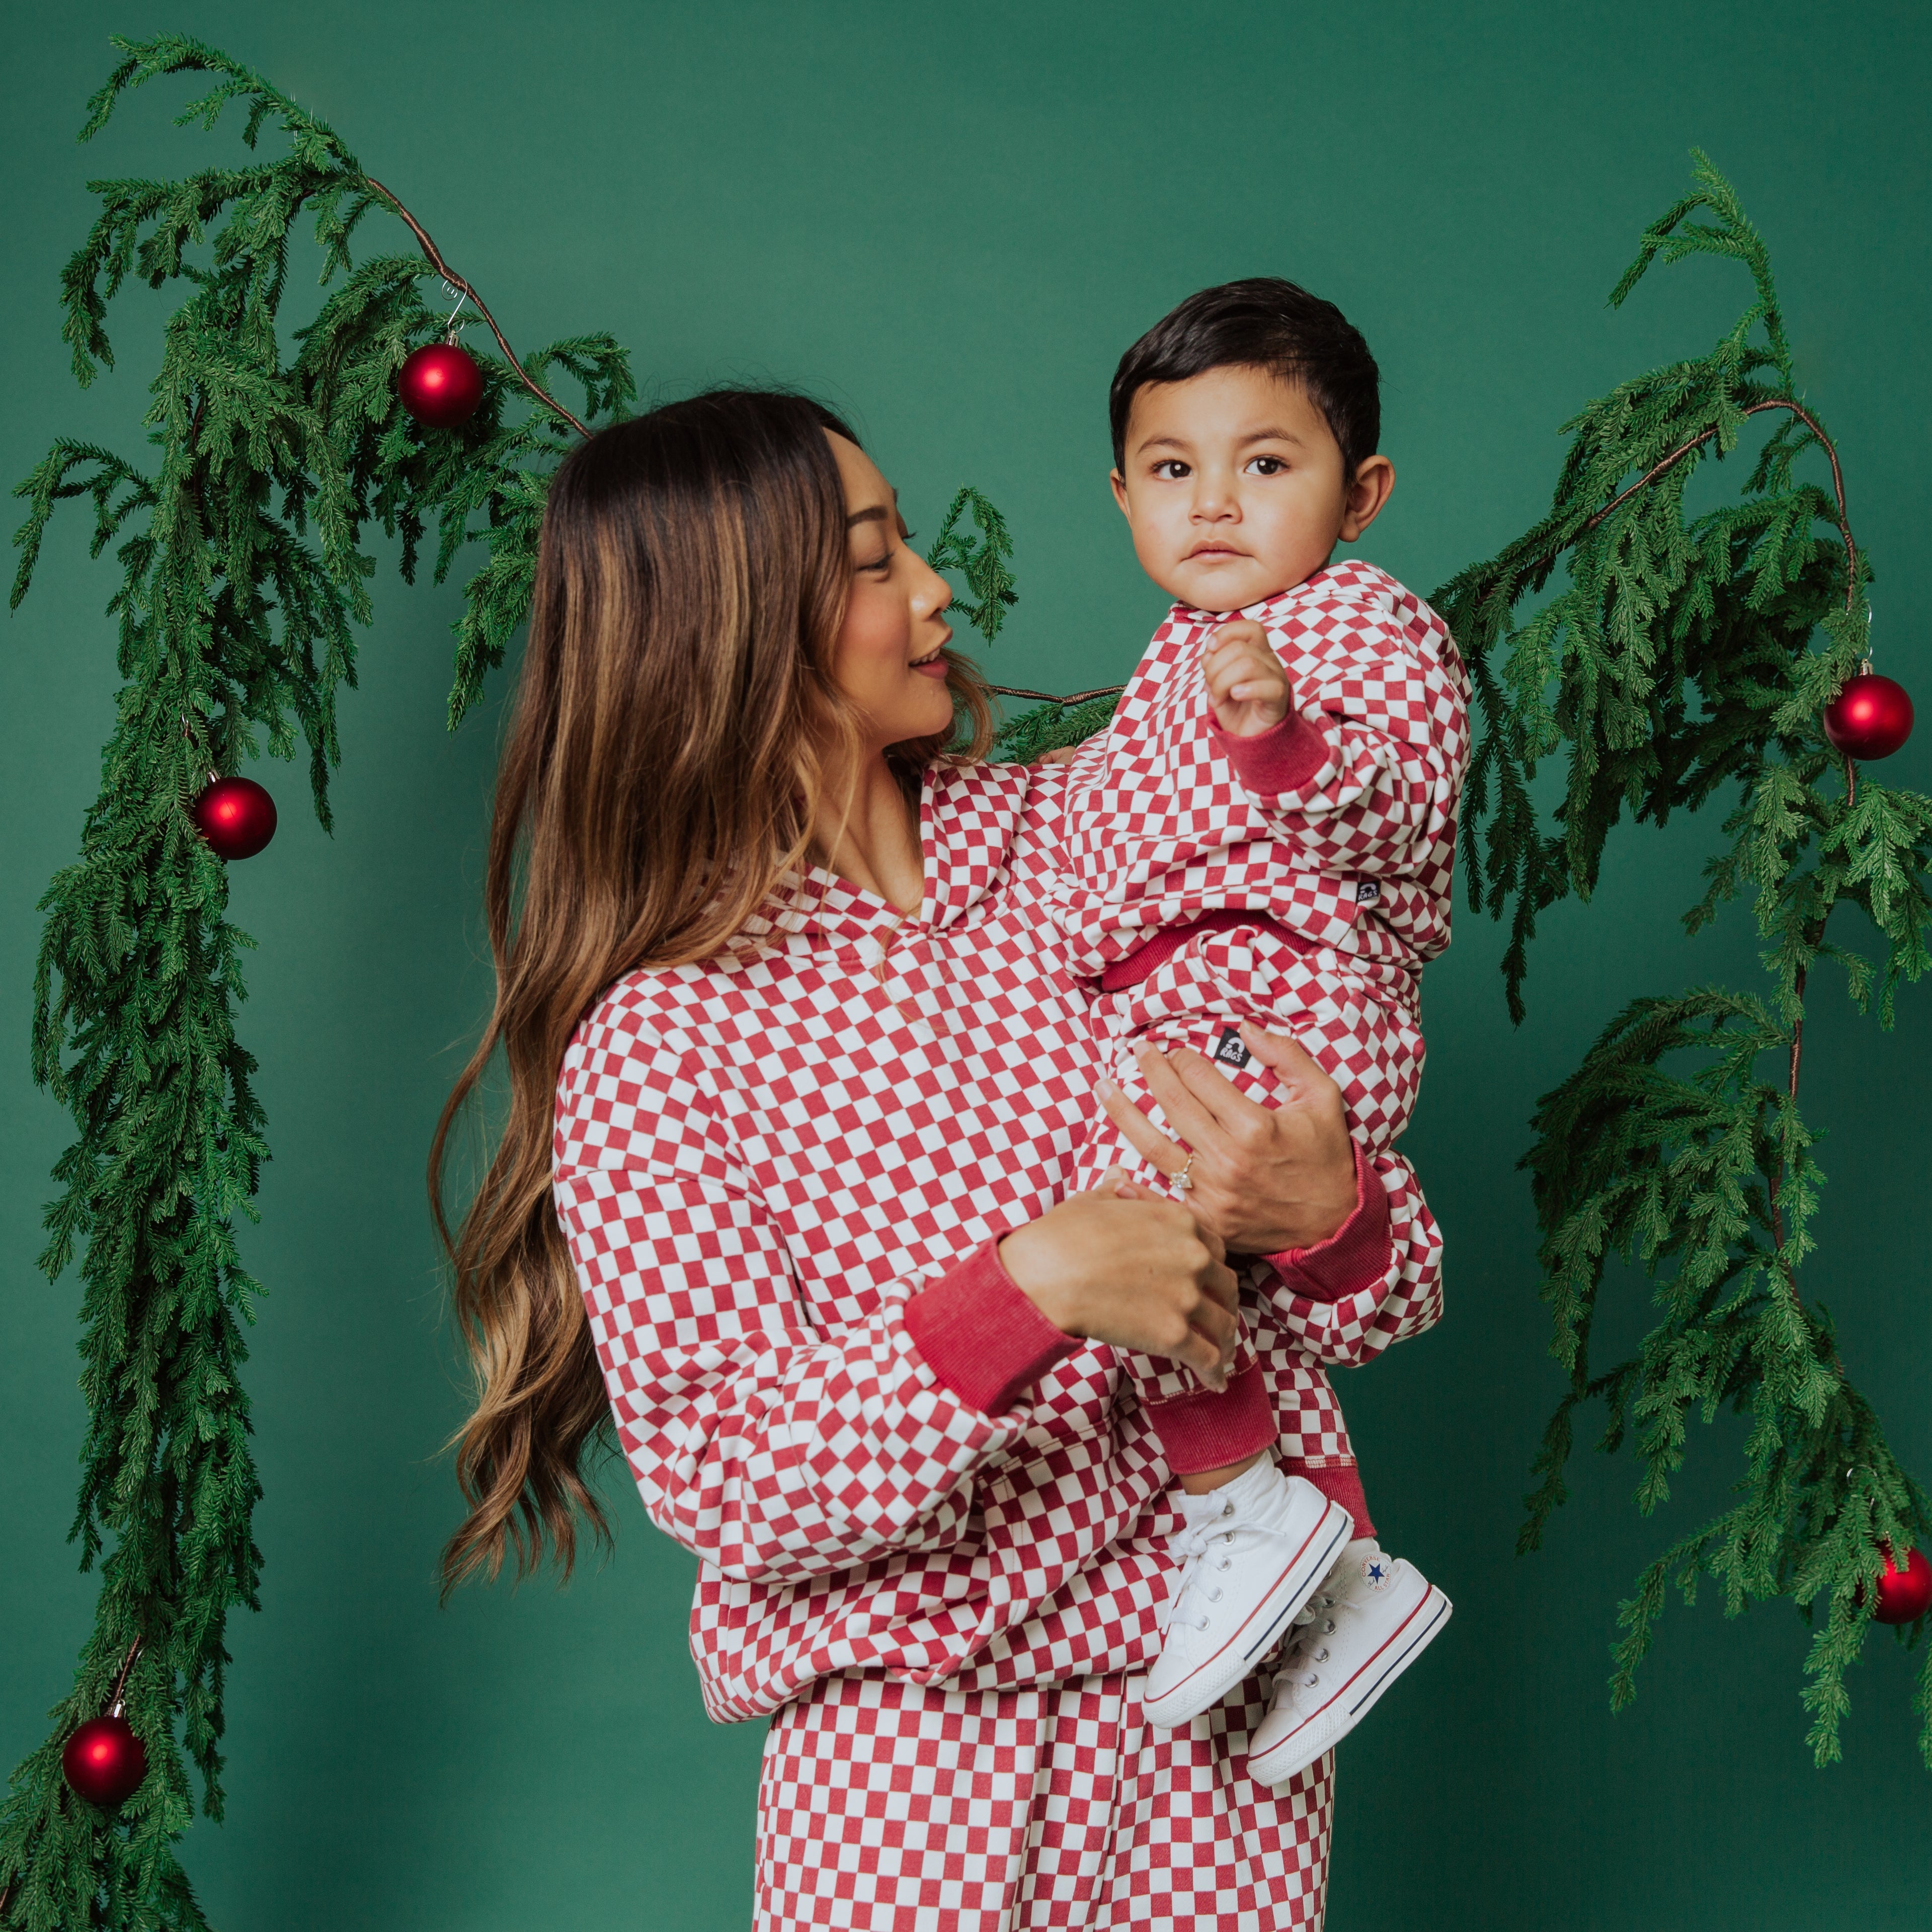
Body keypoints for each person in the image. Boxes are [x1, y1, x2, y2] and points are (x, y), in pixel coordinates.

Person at [432, 387, 1443, 1929]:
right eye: (870, 557)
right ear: (733, 630)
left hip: (1232, 1721)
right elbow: (726, 1468)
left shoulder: (1100, 846)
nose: (936, 589)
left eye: (905, 539)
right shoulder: (664, 1041)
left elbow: (1386, 1294)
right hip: (912, 1762)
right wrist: (1028, 1289)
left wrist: (1335, 1216)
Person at [1052, 279, 1464, 1782]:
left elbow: (1403, 803)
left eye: (1266, 464)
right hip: (1189, 1001)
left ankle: (1250, 1514)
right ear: (1122, 494)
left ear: (1362, 496)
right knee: (1132, 1252)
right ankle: (1333, 1580)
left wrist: (1282, 735)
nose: (1214, 503)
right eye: (1174, 469)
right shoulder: (1175, 650)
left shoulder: (1360, 621)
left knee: (1140, 1244)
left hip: (1282, 1001)